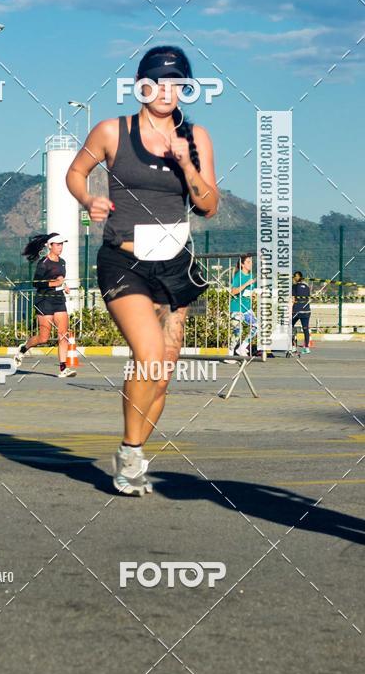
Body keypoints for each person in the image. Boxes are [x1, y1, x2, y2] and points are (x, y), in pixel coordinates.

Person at [66, 45, 218, 495]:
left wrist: (186, 162)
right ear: (141, 85)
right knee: (149, 354)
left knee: (163, 371)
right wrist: (88, 199)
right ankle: (131, 456)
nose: (166, 91)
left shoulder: (196, 137)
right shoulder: (112, 131)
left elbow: (208, 206)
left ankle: (132, 450)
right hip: (123, 259)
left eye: (176, 83)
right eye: (157, 81)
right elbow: (75, 172)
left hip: (174, 263)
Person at [13, 233, 76, 378]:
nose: (60, 247)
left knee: (63, 335)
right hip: (44, 300)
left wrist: (64, 286)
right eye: (58, 244)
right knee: (43, 338)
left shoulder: (62, 262)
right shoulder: (43, 263)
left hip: (58, 299)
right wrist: (55, 283)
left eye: (62, 244)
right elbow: (36, 283)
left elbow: (60, 280)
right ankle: (24, 348)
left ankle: (63, 368)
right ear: (50, 246)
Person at [229, 255, 258, 357]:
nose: (251, 264)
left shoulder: (251, 276)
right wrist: (246, 284)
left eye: (251, 262)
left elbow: (249, 291)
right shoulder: (238, 276)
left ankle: (242, 348)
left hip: (247, 308)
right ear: (242, 264)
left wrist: (253, 294)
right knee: (237, 331)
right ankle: (229, 354)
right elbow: (233, 292)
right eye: (248, 262)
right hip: (237, 308)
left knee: (257, 326)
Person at [292, 270, 311, 354]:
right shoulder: (307, 287)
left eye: (294, 276)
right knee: (305, 329)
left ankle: (293, 347)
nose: (293, 278)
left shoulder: (294, 287)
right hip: (306, 310)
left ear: (297, 277)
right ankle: (306, 347)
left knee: (290, 326)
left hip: (297, 310)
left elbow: (292, 299)